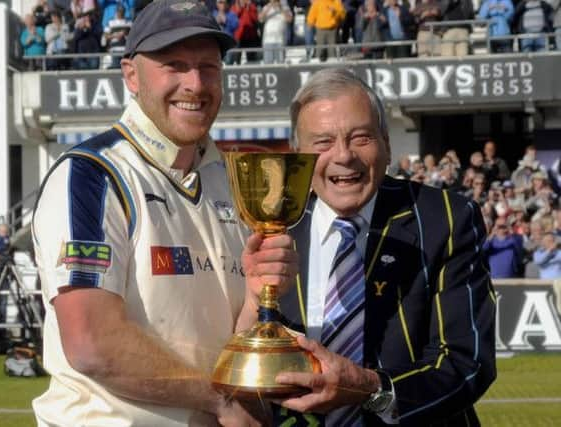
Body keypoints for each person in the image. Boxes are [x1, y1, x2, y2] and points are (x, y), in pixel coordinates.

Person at [31, 1, 297, 425]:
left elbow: (235, 338)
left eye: (208, 67)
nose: (195, 83)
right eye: (174, 65)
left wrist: (258, 295)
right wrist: (221, 400)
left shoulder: (230, 179)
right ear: (131, 75)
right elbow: (91, 342)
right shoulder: (92, 174)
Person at [273, 68, 496, 426]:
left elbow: (465, 362)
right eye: (323, 142)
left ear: (387, 143)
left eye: (360, 137)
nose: (343, 156)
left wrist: (371, 389)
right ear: (297, 154)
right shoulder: (271, 225)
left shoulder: (446, 219)